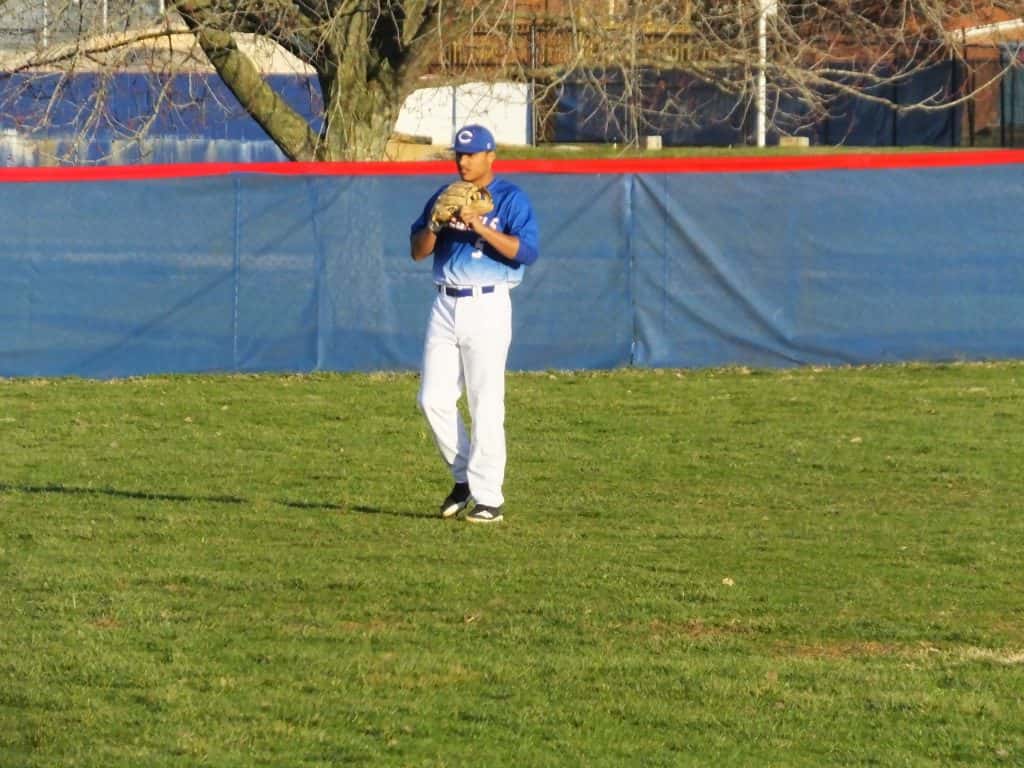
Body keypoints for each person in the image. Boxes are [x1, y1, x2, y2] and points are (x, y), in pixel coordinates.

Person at [409, 124, 539, 524]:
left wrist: (479, 226)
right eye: (459, 154)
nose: (463, 161)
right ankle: (464, 477)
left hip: (488, 304)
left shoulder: (511, 198)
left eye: (471, 154)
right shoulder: (445, 195)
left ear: (490, 156)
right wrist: (436, 224)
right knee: (432, 399)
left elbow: (527, 252)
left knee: (485, 404)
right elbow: (417, 251)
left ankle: (489, 500)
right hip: (445, 303)